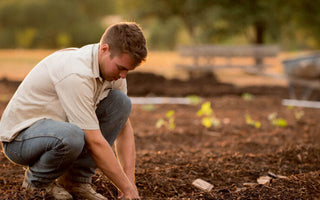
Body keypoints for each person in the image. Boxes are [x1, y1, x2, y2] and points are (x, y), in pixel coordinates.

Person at [0, 22, 147, 200]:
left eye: (128, 71)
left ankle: (76, 181)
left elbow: (123, 127)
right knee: (73, 135)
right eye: (121, 68)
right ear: (104, 49)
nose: (123, 76)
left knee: (121, 103)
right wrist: (126, 188)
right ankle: (37, 184)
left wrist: (129, 183)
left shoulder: (113, 73)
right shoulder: (77, 74)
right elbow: (94, 141)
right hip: (20, 139)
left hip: (58, 130)